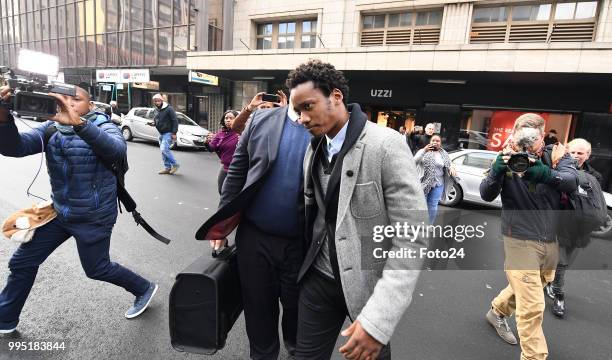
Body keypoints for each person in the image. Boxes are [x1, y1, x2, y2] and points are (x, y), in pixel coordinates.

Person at [286, 60, 427, 360]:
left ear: (336, 97)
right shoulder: (314, 148)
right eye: (298, 111)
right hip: (318, 281)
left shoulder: (386, 145)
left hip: (367, 287)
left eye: (308, 106)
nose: (302, 118)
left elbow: (411, 239)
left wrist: (379, 322)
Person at [0, 85, 158, 334]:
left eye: (75, 99)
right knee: (22, 262)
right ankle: (5, 318)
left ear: (90, 105)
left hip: (93, 217)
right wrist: (3, 118)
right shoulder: (51, 128)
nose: (68, 103)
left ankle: (143, 288)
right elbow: (14, 148)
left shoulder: (105, 126)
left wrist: (78, 124)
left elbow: (116, 151)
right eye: (62, 99)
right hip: (60, 213)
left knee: (96, 269)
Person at [196, 88, 308, 358]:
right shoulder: (260, 121)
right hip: (255, 240)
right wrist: (221, 225)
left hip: (302, 245)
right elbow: (235, 173)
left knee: (297, 311)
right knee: (258, 311)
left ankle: (295, 350)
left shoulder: (324, 128)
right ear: (293, 91)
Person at [480, 113, 577, 360]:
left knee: (543, 279)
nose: (525, 144)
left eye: (531, 139)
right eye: (521, 137)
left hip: (551, 235)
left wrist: (543, 172)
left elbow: (571, 181)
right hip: (519, 237)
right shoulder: (505, 155)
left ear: (542, 135)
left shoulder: (556, 154)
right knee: (532, 304)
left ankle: (498, 311)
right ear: (513, 132)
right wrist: (496, 171)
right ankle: (534, 356)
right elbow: (486, 194)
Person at [545, 138, 603, 318]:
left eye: (580, 153)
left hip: (578, 226)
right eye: (572, 152)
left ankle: (550, 282)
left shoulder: (595, 177)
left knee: (564, 262)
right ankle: (558, 295)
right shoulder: (557, 167)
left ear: (588, 155)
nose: (576, 156)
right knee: (560, 262)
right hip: (557, 222)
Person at [414, 134, 457, 223]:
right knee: (422, 205)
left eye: (437, 141)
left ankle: (429, 225)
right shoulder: (423, 151)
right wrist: (424, 151)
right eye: (433, 140)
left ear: (440, 143)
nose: (435, 142)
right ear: (430, 142)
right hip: (423, 183)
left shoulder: (444, 154)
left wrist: (452, 167)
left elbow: (449, 163)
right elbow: (413, 162)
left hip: (438, 184)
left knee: (433, 206)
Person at [205, 110, 240, 194]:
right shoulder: (220, 134)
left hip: (237, 168)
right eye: (226, 118)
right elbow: (211, 148)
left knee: (233, 193)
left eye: (231, 118)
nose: (228, 120)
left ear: (237, 119)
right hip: (225, 167)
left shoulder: (240, 133)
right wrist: (206, 142)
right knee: (221, 191)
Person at [152, 93, 179, 175]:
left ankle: (175, 164)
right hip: (161, 133)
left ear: (162, 100)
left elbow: (175, 121)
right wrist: (154, 123)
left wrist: (174, 133)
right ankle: (167, 168)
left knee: (164, 149)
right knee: (163, 152)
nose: (157, 102)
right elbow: (158, 120)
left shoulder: (169, 109)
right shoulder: (156, 110)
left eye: (158, 101)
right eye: (155, 101)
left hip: (168, 132)